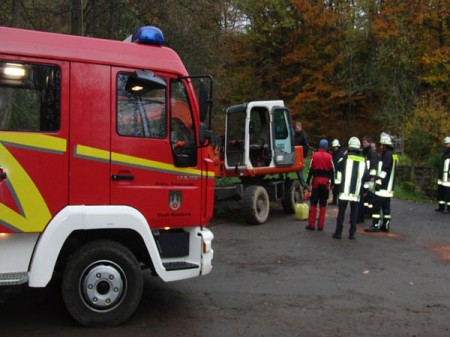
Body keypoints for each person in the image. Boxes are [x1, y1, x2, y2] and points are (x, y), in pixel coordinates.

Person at [332, 137, 369, 240]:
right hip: (356, 192)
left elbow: (338, 166)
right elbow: (366, 177)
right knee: (354, 214)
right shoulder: (363, 160)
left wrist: (344, 155)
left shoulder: (346, 157)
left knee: (341, 213)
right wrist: (365, 190)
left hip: (344, 191)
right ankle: (352, 234)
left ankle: (338, 233)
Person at [365, 132, 398, 232]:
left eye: (381, 145)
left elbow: (384, 171)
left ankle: (375, 225)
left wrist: (378, 182)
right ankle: (386, 225)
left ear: (385, 145)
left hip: (383, 187)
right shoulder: (394, 155)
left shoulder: (387, 155)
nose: (380, 146)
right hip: (389, 187)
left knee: (376, 206)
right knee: (386, 208)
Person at [305, 139, 334, 231]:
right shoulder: (330, 157)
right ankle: (321, 225)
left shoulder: (314, 156)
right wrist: (332, 183)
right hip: (325, 183)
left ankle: (311, 224)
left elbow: (310, 170)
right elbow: (332, 171)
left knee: (313, 203)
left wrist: (307, 181)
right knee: (323, 204)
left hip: (316, 182)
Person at [358, 135, 379, 221]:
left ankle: (369, 213)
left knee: (369, 196)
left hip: (369, 178)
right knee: (365, 197)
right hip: (364, 177)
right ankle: (365, 212)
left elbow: (373, 166)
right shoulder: (364, 152)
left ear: (369, 143)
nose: (363, 144)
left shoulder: (371, 153)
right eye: (363, 142)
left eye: (365, 142)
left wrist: (372, 178)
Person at [436, 136, 450, 213]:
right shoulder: (446, 153)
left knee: (448, 194)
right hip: (442, 177)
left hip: (447, 178)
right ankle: (441, 207)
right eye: (446, 144)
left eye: (448, 143)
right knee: (440, 192)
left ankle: (448, 209)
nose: (446, 145)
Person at [293, 121, 309, 186]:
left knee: (300, 169)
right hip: (296, 154)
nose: (296, 129)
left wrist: (302, 153)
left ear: (300, 127)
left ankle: (304, 184)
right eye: (295, 128)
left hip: (302, 155)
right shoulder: (295, 135)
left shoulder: (304, 135)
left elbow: (306, 146)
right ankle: (302, 183)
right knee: (298, 170)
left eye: (297, 128)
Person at [330, 139, 344, 205]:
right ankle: (334, 201)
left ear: (338, 146)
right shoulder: (333, 154)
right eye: (334, 147)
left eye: (335, 147)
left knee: (339, 189)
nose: (335, 148)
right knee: (334, 189)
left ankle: (339, 201)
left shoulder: (341, 154)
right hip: (334, 173)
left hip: (339, 173)